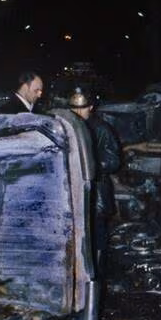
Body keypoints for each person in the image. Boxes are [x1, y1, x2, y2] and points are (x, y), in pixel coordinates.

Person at [67, 88, 121, 270]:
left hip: (96, 195)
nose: (77, 112)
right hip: (75, 192)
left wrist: (88, 164)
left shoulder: (101, 129)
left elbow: (113, 161)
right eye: (73, 107)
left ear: (90, 107)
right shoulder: (69, 127)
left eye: (82, 107)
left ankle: (97, 275)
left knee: (97, 239)